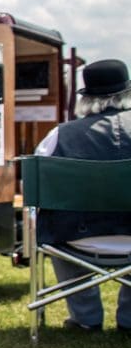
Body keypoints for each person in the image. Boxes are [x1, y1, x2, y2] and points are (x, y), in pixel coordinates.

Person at [34, 58, 131, 333]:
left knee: (58, 228)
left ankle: (85, 318)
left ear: (86, 99)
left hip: (78, 242)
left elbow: (36, 191)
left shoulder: (58, 135)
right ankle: (129, 319)